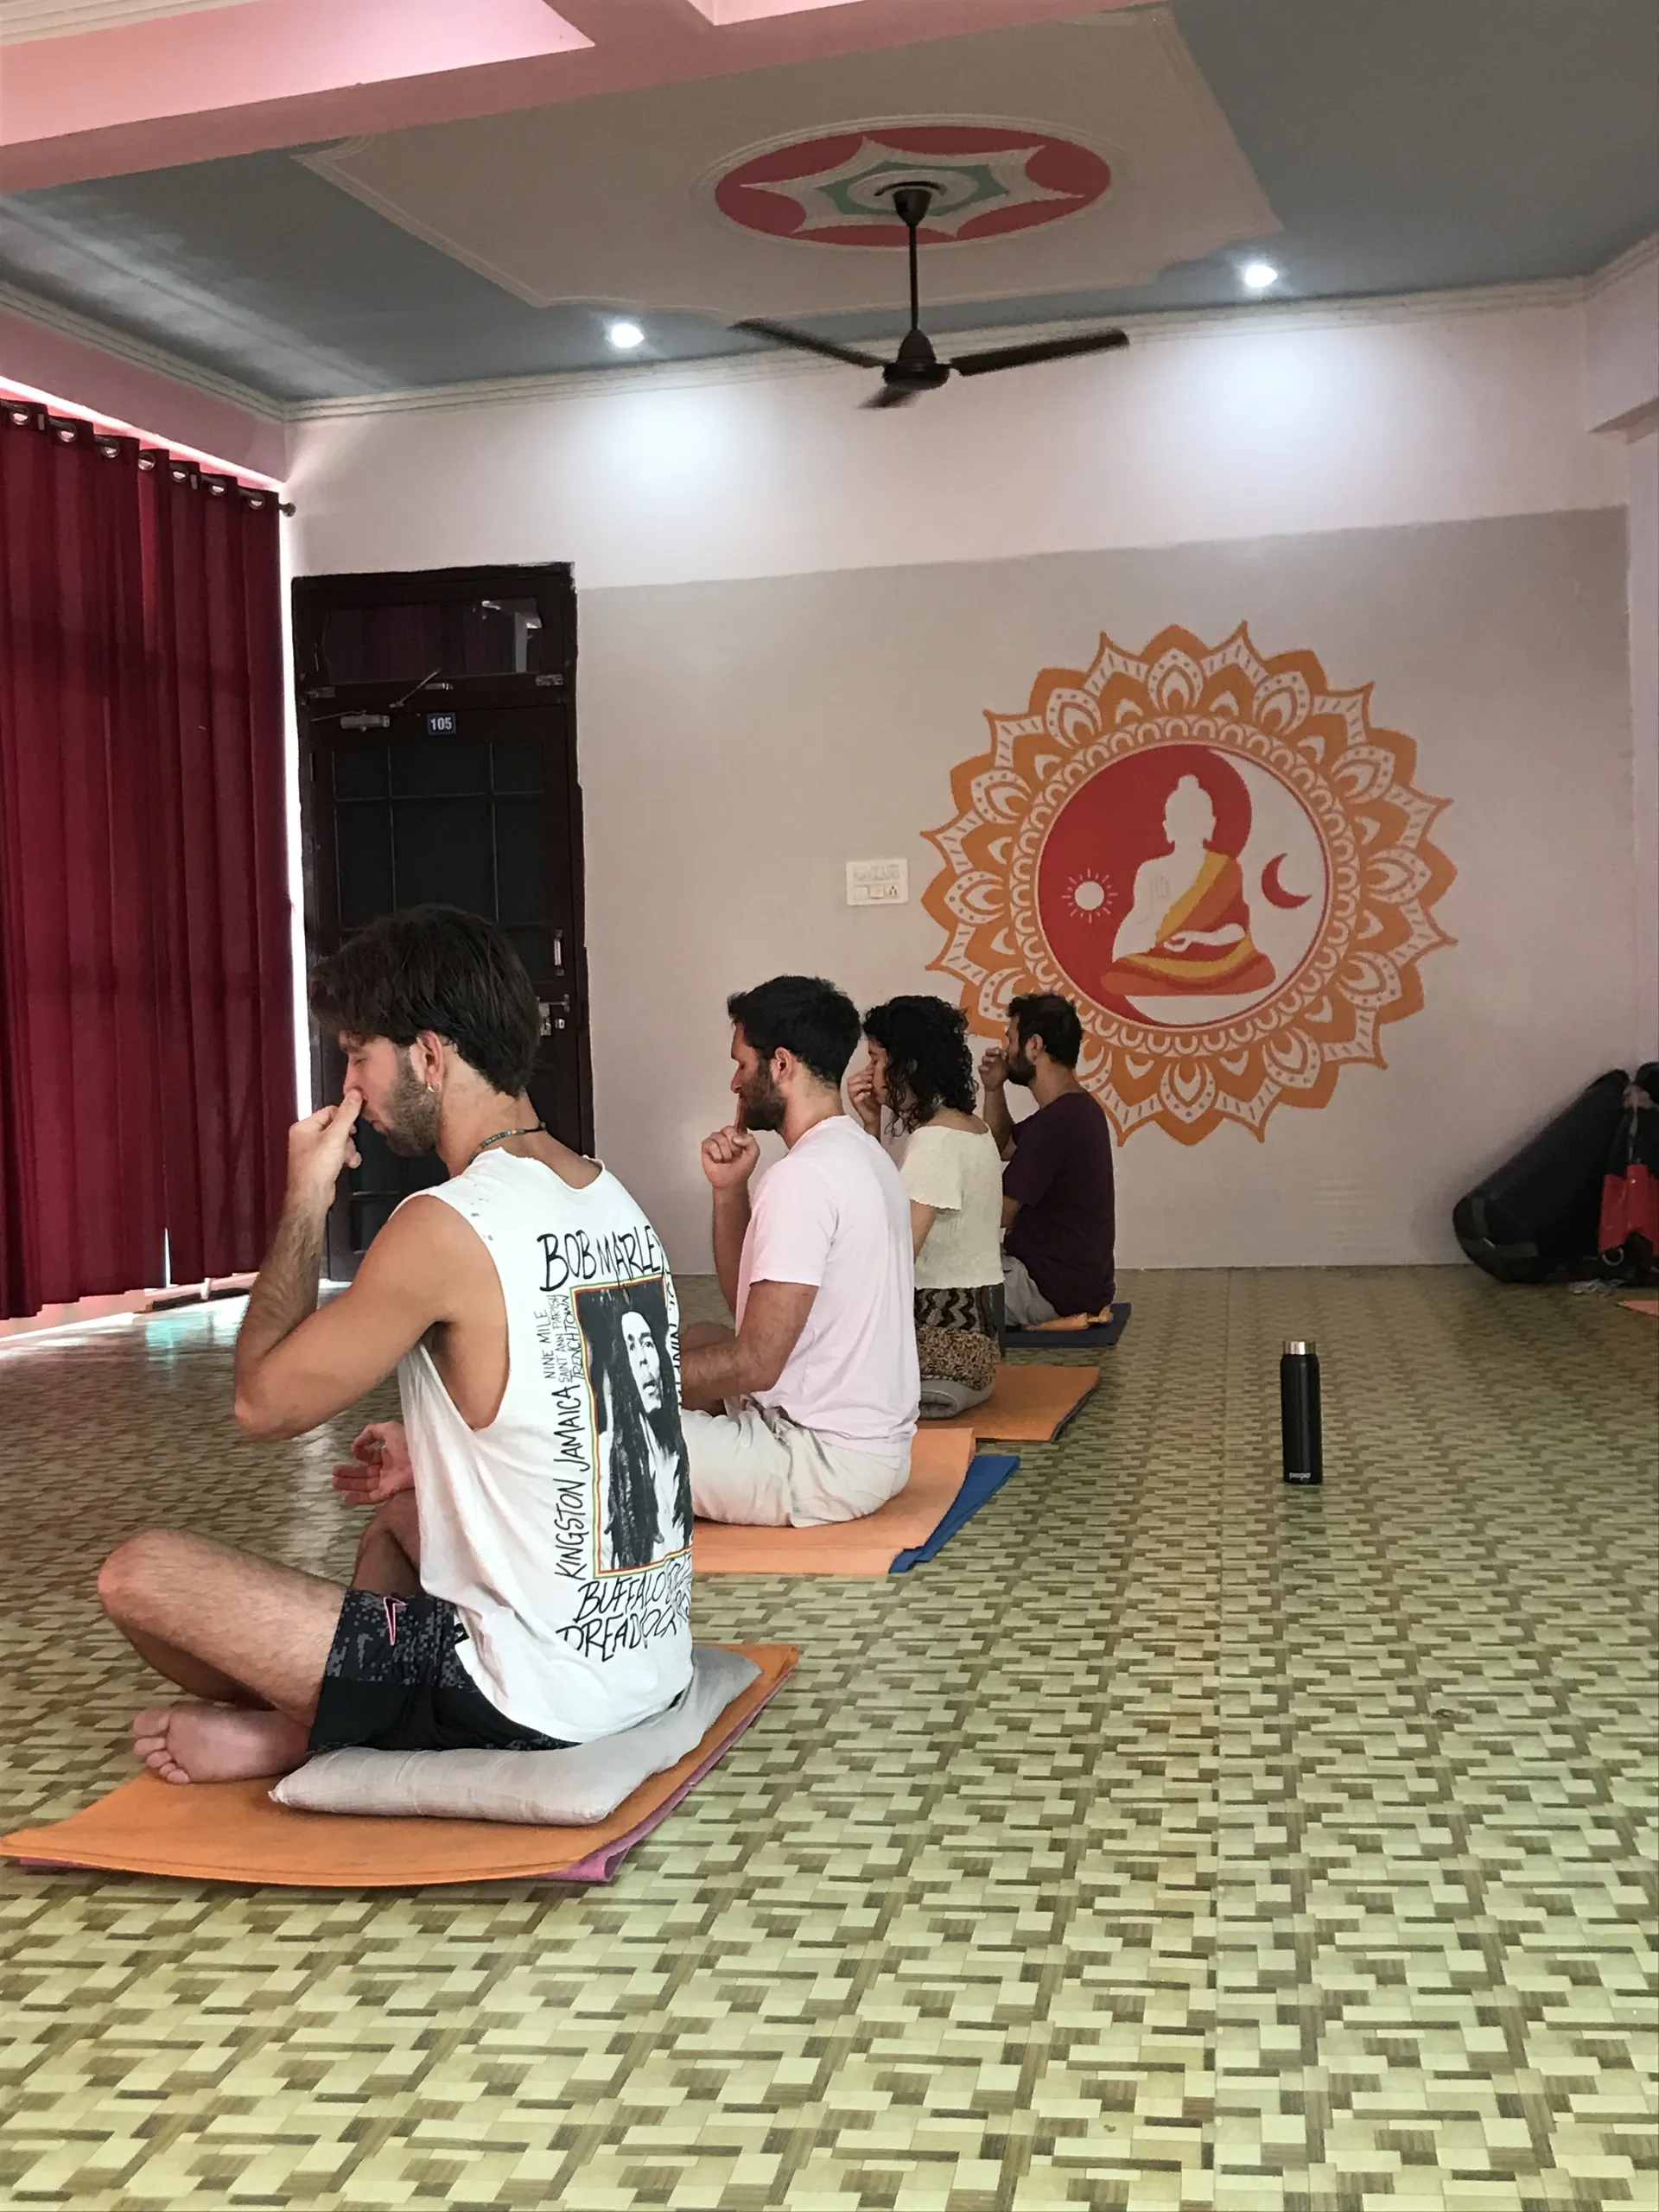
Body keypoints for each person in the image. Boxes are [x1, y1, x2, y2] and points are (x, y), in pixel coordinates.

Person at [97, 905, 692, 1787]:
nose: (351, 1091)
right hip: (646, 1663)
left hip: (532, 1702)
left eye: (356, 1054)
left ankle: (303, 1736)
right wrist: (436, 1453)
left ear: (427, 1054)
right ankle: (342, 1711)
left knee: (139, 1576)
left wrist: (305, 1194)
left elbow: (261, 1402)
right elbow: (586, 1404)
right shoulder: (608, 1194)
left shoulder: (445, 1224)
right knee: (400, 1523)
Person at [679, 975, 918, 1526]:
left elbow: (757, 1361)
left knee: (598, 1436)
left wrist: (627, 1382)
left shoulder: (803, 1179)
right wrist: (729, 1189)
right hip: (875, 1449)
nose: (734, 1082)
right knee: (698, 1341)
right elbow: (749, 1305)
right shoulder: (861, 1152)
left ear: (781, 1064)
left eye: (742, 1063)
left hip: (817, 1461)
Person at [849, 995, 1004, 1418]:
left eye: (877, 1060)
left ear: (909, 1067)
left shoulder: (934, 1143)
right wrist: (870, 1126)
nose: (870, 1075)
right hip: (975, 1342)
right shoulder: (973, 1128)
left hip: (943, 1343)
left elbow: (894, 1257)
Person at [980, 992, 1116, 1327]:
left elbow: (999, 1213)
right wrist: (994, 1089)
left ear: (1034, 1045)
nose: (1006, 1050)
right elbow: (1001, 1145)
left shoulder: (1060, 1120)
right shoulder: (1073, 1110)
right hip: (1067, 1284)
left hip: (1046, 1289)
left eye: (1011, 1039)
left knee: (930, 1291)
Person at [1100, 770, 1274, 1000]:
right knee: (1122, 971)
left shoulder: (1225, 868)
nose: (1189, 827)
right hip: (1161, 961)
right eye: (1182, 820)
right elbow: (1128, 940)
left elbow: (1237, 929)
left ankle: (1195, 979)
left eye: (1196, 819)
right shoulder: (1151, 871)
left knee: (1258, 969)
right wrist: (1157, 911)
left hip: (1216, 961)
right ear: (1168, 825)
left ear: (1210, 823)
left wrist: (1199, 938)